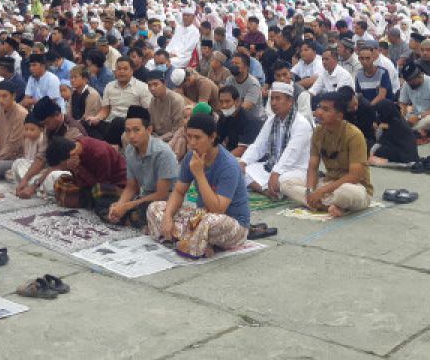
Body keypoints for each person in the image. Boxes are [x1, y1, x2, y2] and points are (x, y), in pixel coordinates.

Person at [146, 112, 250, 259]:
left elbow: (218, 209)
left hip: (231, 224)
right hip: (200, 217)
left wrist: (200, 174)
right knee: (155, 208)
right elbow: (179, 192)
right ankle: (194, 240)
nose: (192, 143)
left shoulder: (229, 165)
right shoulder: (191, 157)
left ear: (212, 137)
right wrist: (168, 217)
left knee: (209, 221)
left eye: (197, 137)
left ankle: (185, 241)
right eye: (189, 137)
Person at [280, 92, 372, 217]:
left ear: (339, 115)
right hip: (328, 183)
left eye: (326, 109)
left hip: (355, 187)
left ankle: (322, 203)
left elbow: (354, 176)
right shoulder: (318, 132)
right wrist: (310, 191)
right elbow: (312, 167)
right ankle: (326, 204)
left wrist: (323, 191)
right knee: (285, 183)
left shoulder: (354, 135)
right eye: (318, 107)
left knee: (344, 193)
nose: (319, 112)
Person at [107, 105, 179, 228]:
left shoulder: (163, 152)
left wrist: (129, 205)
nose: (131, 136)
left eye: (136, 130)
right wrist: (120, 205)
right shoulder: (130, 150)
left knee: (149, 210)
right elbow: (131, 187)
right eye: (128, 131)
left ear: (149, 130)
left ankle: (132, 218)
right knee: (103, 192)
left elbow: (162, 194)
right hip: (143, 197)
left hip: (165, 201)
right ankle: (125, 216)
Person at [239, 81, 311, 198]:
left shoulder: (301, 124)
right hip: (272, 166)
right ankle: (265, 190)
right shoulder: (271, 121)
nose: (273, 103)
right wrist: (243, 162)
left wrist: (276, 172)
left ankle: (266, 188)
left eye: (278, 99)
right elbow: (258, 146)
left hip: (295, 169)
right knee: (238, 169)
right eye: (272, 99)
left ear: (290, 101)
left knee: (282, 181)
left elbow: (291, 153)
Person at [41, 134, 127, 204]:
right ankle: (85, 200)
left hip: (116, 184)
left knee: (98, 192)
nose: (62, 168)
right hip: (90, 183)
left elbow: (100, 185)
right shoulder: (73, 148)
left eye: (61, 166)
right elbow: (79, 182)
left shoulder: (100, 153)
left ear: (71, 155)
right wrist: (75, 170)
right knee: (60, 181)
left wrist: (79, 168)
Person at [85, 57, 150, 147]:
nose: (121, 71)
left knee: (118, 121)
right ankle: (104, 145)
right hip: (109, 123)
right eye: (119, 69)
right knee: (86, 123)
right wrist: (96, 118)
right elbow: (105, 110)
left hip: (128, 124)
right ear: (115, 71)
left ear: (132, 71)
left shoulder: (142, 87)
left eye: (125, 69)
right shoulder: (109, 86)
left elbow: (146, 113)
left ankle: (105, 146)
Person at [398, 61, 430, 134]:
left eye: (412, 81)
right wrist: (402, 117)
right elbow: (403, 104)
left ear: (420, 75)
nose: (409, 83)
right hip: (414, 117)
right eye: (408, 81)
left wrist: (418, 117)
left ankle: (408, 130)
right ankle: (410, 130)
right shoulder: (407, 84)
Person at [369, 99, 419, 165]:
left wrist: (372, 153)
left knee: (379, 151)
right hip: (405, 150)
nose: (379, 115)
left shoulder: (395, 123)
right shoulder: (395, 118)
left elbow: (383, 140)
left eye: (380, 112)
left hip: (404, 153)